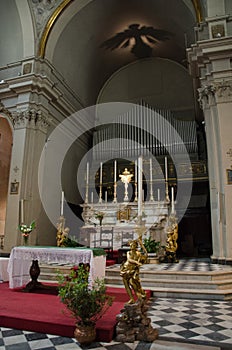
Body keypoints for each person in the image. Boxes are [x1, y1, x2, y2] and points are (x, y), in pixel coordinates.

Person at [120, 236, 148, 304]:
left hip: (133, 270)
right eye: (131, 245)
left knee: (133, 283)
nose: (132, 246)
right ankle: (131, 298)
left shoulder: (138, 253)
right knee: (126, 285)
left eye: (133, 245)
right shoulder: (128, 252)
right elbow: (129, 259)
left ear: (136, 246)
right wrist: (136, 262)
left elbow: (146, 255)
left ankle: (139, 295)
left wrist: (142, 245)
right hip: (125, 269)